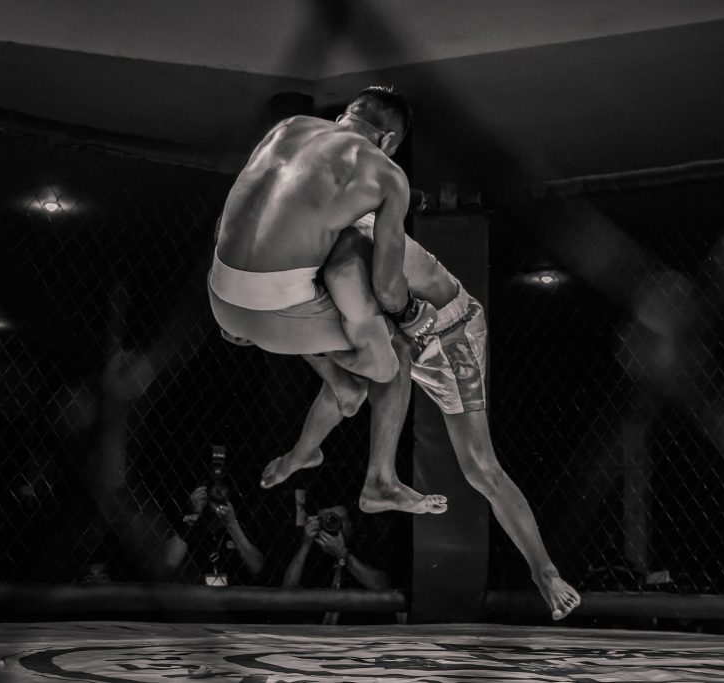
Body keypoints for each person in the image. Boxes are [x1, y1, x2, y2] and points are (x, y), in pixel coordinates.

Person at [263, 220, 581, 620]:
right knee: (349, 372)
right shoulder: (312, 258)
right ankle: (306, 455)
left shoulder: (351, 242)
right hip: (399, 332)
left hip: (449, 337)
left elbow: (388, 314)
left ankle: (544, 571)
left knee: (481, 468)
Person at [209, 85, 446, 516]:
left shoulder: (287, 128)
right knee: (395, 350)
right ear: (389, 140)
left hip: (220, 296)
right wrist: (412, 318)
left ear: (346, 116)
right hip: (273, 315)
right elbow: (390, 288)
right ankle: (380, 481)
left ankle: (306, 447)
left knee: (340, 340)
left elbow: (234, 216)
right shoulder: (386, 173)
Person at [283, 503, 392, 625]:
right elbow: (287, 588)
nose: (332, 524)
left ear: (350, 525)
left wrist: (342, 554)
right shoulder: (312, 550)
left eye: (339, 519)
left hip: (357, 628)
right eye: (326, 519)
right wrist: (306, 544)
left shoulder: (366, 548)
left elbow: (380, 586)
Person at [162, 485, 265, 586]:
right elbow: (169, 564)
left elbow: (258, 567)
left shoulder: (243, 524)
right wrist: (194, 514)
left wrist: (232, 525)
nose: (217, 498)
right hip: (195, 594)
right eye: (212, 494)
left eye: (221, 493)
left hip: (235, 595)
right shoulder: (191, 526)